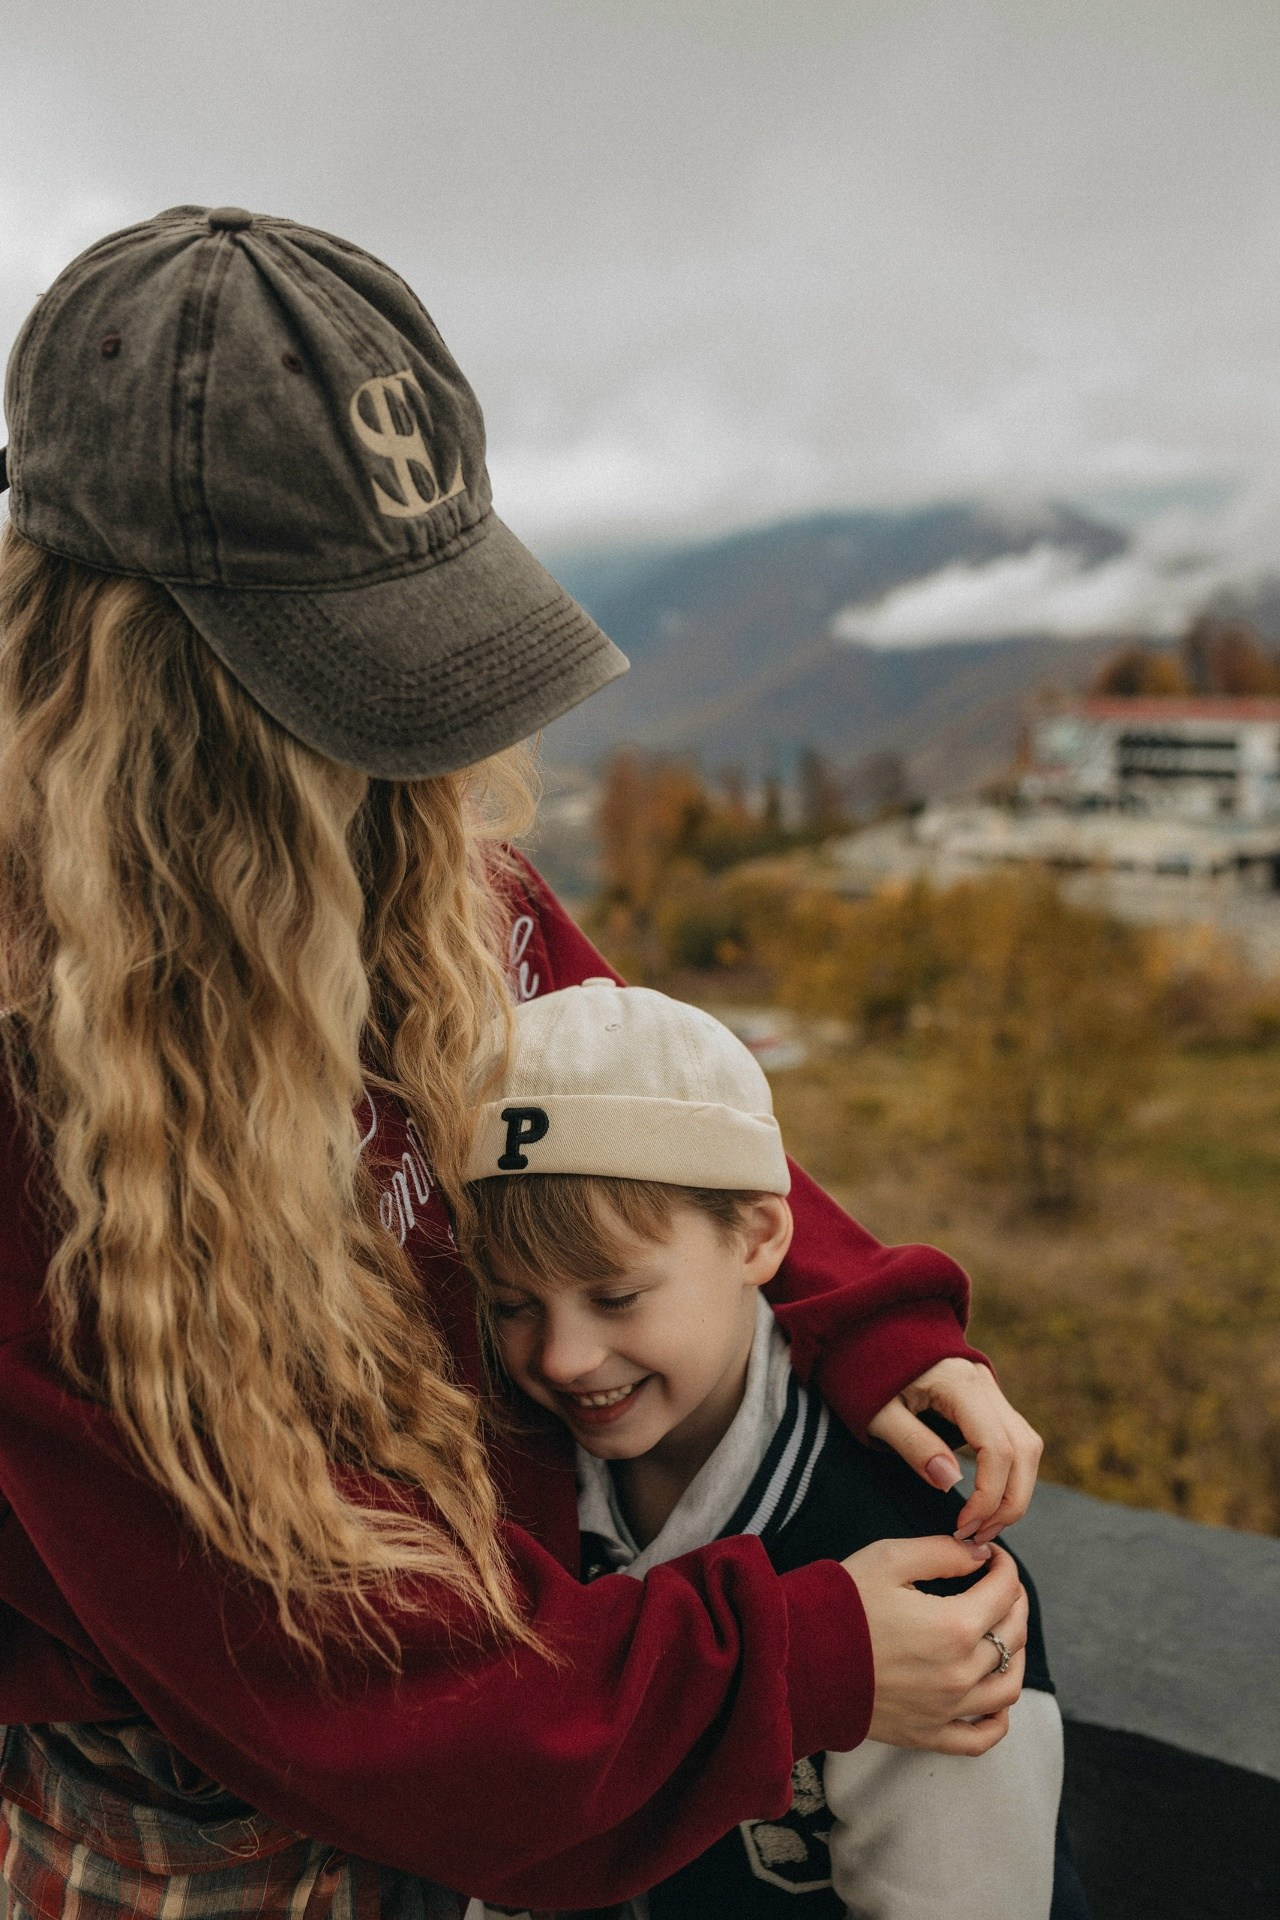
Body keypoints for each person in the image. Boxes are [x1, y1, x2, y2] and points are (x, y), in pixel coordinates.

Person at [0, 205, 1037, 1919]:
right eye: (350, 685)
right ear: (147, 688)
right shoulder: (32, 1107)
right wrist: (792, 1661)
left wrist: (848, 1313)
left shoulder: (400, 857)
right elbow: (308, 1663)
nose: (419, 755)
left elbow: (632, 1109)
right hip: (214, 1827)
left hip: (532, 1697)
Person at [462, 980, 1082, 1920]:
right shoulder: (509, 1480)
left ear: (757, 1237)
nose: (562, 1356)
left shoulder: (922, 1578)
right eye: (512, 1305)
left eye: (617, 1296)